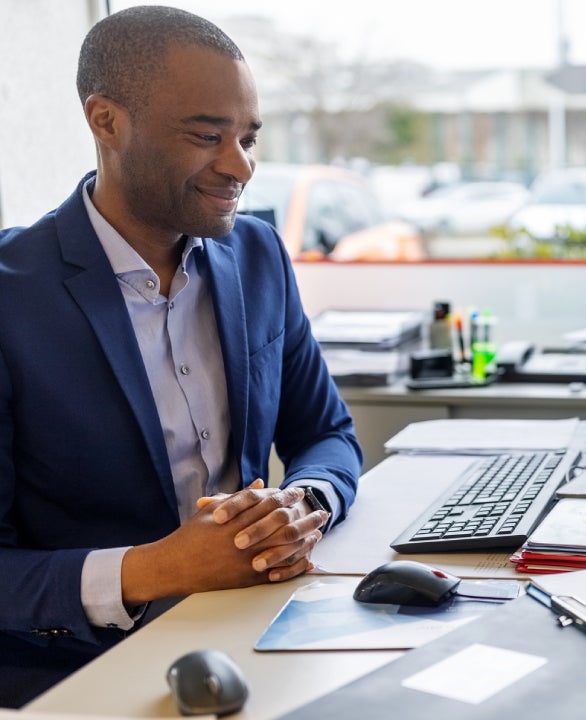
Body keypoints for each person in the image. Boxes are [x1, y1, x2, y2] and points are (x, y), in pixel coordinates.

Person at [0, 6, 362, 706]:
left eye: (248, 136)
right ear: (106, 121)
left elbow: (326, 435)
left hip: (256, 625)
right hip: (81, 669)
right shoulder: (13, 296)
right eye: (207, 136)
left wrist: (300, 505)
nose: (240, 165)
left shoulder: (257, 255)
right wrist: (155, 568)